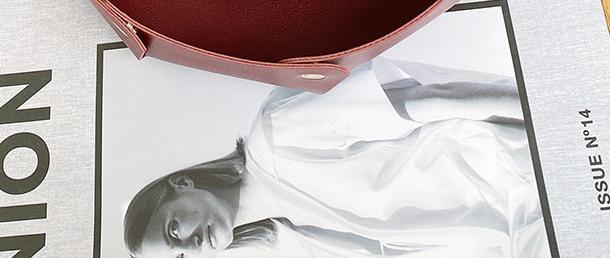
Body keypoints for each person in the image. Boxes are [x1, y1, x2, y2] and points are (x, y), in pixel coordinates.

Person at [123, 57, 550, 257]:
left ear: (181, 184)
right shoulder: (289, 239)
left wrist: (546, 116)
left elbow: (427, 99)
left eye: (174, 229)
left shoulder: (276, 134)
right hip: (512, 232)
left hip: (514, 166)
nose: (193, 246)